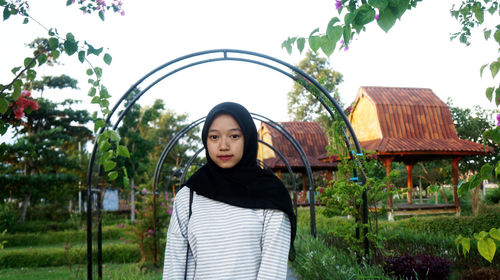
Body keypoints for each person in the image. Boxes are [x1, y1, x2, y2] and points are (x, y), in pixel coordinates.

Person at [163, 102, 296, 280]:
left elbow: (272, 272)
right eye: (214, 137)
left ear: (248, 138)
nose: (223, 145)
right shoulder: (189, 196)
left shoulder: (271, 195)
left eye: (234, 136)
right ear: (205, 140)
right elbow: (175, 265)